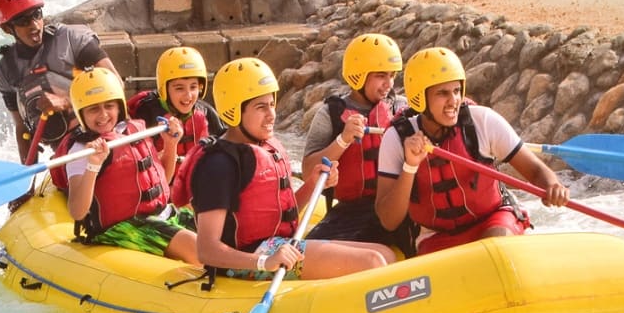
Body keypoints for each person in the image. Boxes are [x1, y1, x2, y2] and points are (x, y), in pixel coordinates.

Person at [171, 58, 395, 280]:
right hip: (247, 259)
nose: (272, 115)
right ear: (233, 111)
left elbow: (279, 215)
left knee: (386, 254)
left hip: (275, 247)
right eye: (261, 107)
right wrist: (263, 262)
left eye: (271, 104)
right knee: (371, 263)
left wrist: (313, 185)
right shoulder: (218, 164)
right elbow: (207, 251)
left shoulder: (264, 148)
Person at [375, 47, 570, 255]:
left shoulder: (483, 121)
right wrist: (410, 165)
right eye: (442, 93)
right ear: (419, 97)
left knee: (493, 249)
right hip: (437, 234)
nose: (453, 101)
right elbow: (389, 220)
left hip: (493, 220)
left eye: (457, 91)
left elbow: (536, 171)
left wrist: (553, 185)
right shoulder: (396, 138)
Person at [62, 67, 199, 265]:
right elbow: (77, 211)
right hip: (123, 228)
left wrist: (170, 145)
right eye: (93, 109)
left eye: (109, 106)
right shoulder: (81, 150)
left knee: (220, 226)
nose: (103, 115)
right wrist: (93, 165)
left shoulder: (132, 130)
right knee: (197, 248)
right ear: (81, 113)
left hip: (160, 215)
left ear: (119, 107)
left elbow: (163, 180)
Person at [301, 33, 415, 256]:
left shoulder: (402, 109)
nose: (389, 84)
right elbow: (308, 172)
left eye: (392, 76)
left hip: (398, 205)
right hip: (352, 211)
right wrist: (342, 141)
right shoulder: (331, 114)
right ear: (358, 76)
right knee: (306, 253)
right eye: (381, 76)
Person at [0, 0, 120, 164]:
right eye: (23, 21)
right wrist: (28, 176)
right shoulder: (6, 70)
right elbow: (22, 128)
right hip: (65, 149)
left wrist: (67, 101)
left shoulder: (72, 39)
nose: (34, 25)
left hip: (102, 132)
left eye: (37, 15)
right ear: (7, 28)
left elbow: (116, 83)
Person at [126, 46, 226, 169]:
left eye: (193, 87)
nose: (188, 95)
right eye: (179, 88)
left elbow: (226, 141)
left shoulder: (205, 112)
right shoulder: (147, 114)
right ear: (165, 88)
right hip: (164, 183)